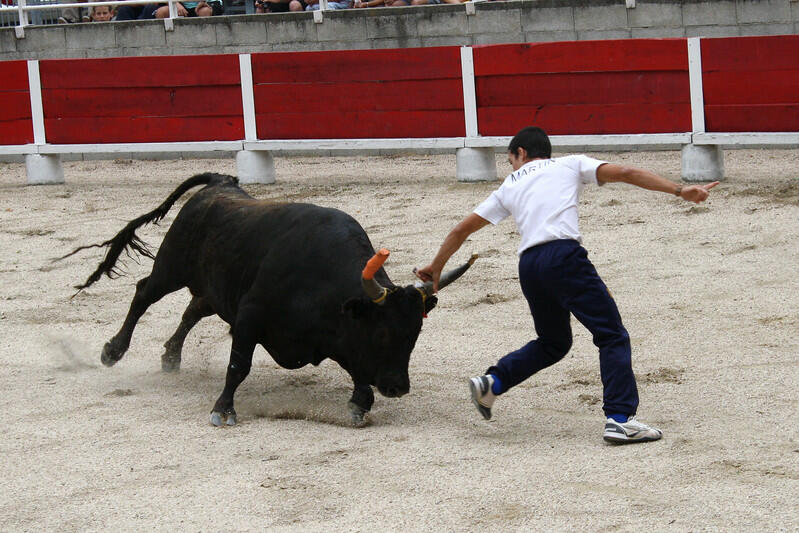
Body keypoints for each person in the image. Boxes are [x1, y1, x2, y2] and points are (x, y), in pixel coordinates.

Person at [415, 126, 719, 445]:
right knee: (611, 334)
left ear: (521, 153)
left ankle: (494, 382)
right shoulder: (570, 163)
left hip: (529, 265)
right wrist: (678, 190)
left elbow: (460, 230)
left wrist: (436, 268)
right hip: (563, 256)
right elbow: (626, 171)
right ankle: (620, 418)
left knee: (553, 342)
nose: (513, 166)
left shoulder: (510, 185)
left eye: (511, 160)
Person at [154, 0, 223, 17]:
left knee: (204, 11)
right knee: (161, 12)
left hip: (208, 2)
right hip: (182, 5)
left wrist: (202, 1)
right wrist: (176, 3)